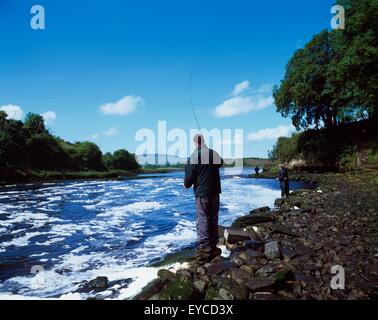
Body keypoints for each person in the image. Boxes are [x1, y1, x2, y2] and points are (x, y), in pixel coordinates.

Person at [184, 134, 223, 262]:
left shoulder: (194, 156)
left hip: (202, 193)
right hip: (215, 192)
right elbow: (220, 163)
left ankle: (205, 248)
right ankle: (213, 244)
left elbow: (188, 182)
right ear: (204, 141)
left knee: (203, 219)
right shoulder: (213, 153)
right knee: (213, 217)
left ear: (195, 142)